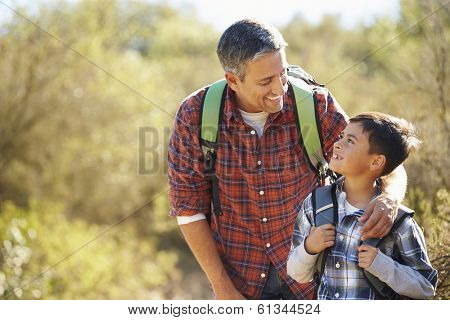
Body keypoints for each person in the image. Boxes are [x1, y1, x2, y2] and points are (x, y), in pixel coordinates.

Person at [168, 19, 407, 300]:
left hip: (315, 280)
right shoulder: (195, 114)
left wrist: (390, 198)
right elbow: (188, 208)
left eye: (281, 74)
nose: (279, 88)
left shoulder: (313, 103)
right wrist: (223, 288)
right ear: (233, 80)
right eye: (265, 81)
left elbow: (377, 160)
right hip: (239, 281)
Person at [287, 112, 438, 299]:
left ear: (376, 161)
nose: (337, 144)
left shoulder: (398, 222)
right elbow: (296, 273)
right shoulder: (315, 204)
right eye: (341, 136)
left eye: (350, 141)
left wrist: (382, 265)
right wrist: (309, 247)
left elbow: (425, 288)